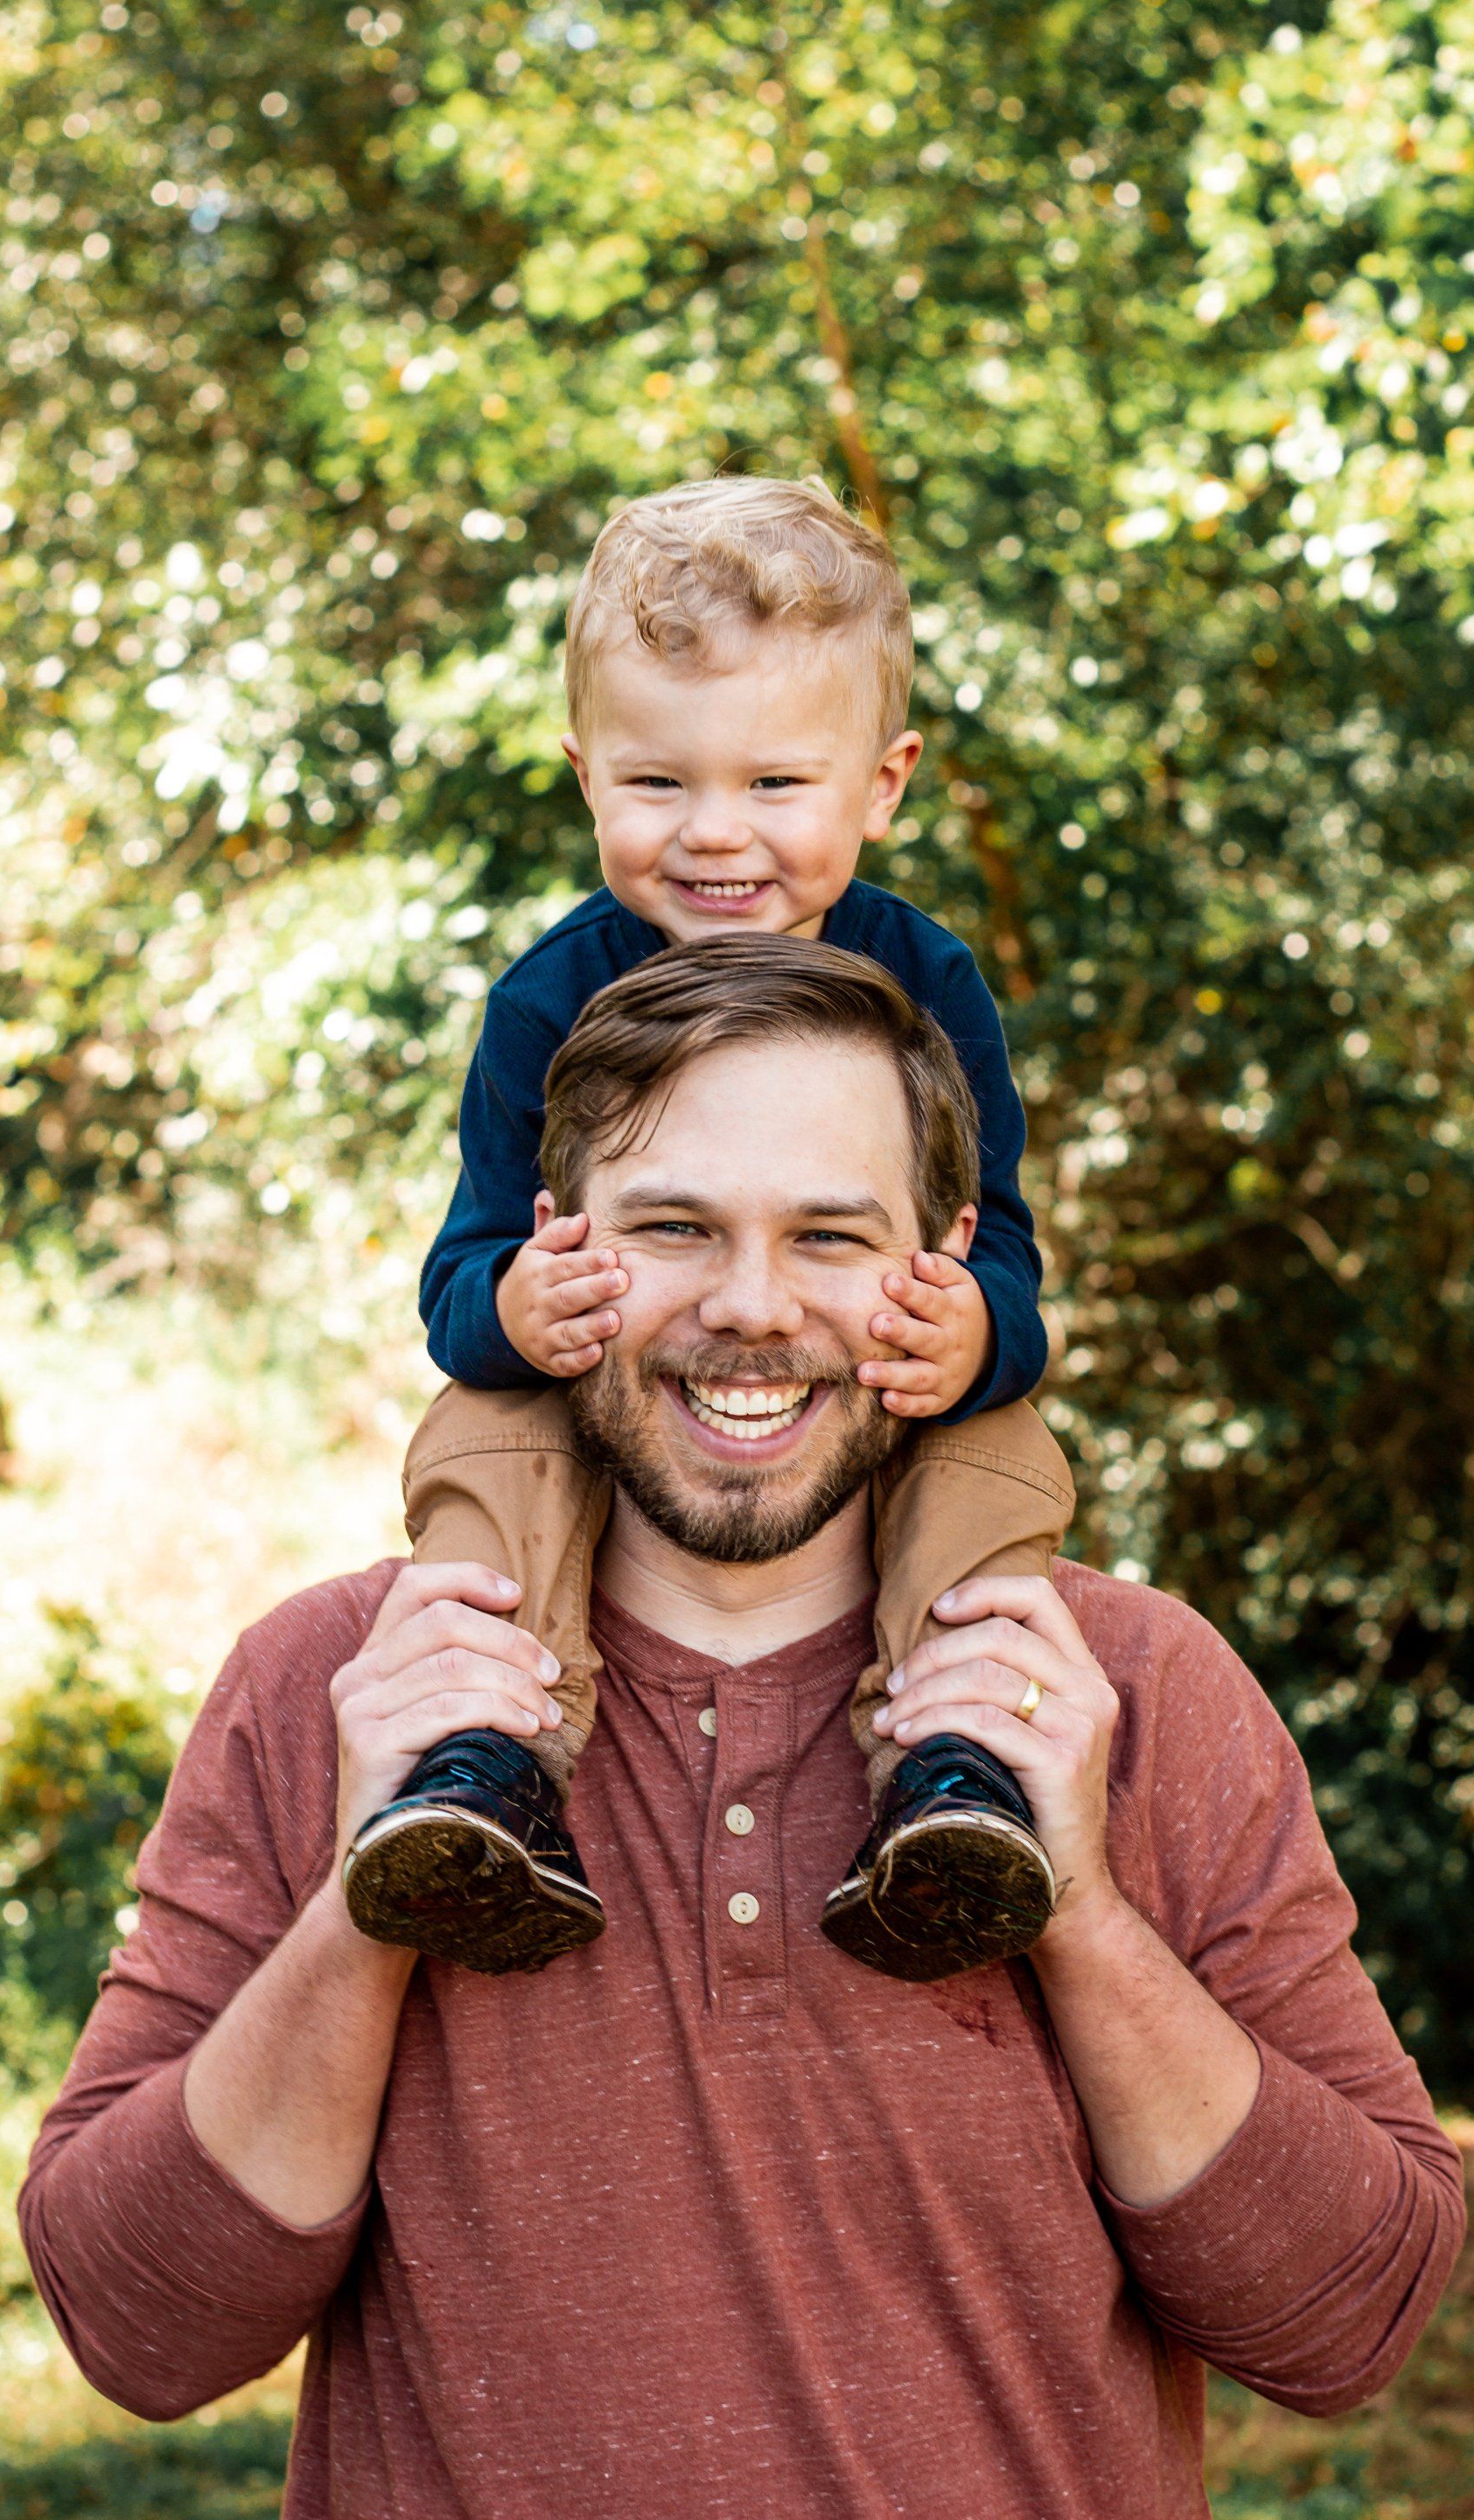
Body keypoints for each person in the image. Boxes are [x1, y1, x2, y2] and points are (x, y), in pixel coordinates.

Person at [20, 943, 1465, 2520]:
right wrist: (366, 1906)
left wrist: (1088, 1917)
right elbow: (140, 2331)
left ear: (952, 1262)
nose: (754, 1306)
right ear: (561, 1246)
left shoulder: (1130, 1685)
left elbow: (1347, 2323)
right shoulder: (342, 1682)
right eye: (674, 1230)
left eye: (832, 1238)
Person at [342, 472, 1075, 1982]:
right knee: (486, 1434)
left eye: (776, 785)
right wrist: (517, 1309)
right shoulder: (550, 1001)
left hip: (870, 1379)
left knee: (1001, 1457)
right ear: (586, 777)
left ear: (883, 783)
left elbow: (1002, 1249)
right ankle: (488, 1763)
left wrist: (979, 1325)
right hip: (598, 1380)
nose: (715, 837)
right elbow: (458, 1276)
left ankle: (953, 1771)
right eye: (660, 784)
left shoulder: (926, 986)